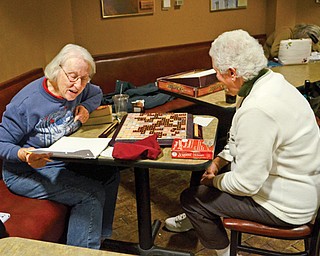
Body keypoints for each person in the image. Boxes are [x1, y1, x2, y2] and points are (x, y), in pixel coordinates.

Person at [169, 29, 320, 256]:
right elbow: (239, 138)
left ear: (232, 72)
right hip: (301, 185)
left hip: (289, 206)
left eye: (217, 73)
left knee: (192, 199)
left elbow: (246, 184)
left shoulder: (258, 109)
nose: (217, 79)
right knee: (208, 164)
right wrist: (218, 162)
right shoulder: (267, 80)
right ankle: (204, 214)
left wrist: (214, 183)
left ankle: (225, 252)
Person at [0, 44, 120, 249]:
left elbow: (96, 93)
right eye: (72, 76)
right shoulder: (27, 103)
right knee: (90, 195)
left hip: (59, 161)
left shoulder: (80, 89)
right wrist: (24, 154)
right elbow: (2, 142)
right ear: (56, 70)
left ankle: (98, 238)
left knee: (110, 173)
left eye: (84, 79)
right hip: (24, 173)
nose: (78, 85)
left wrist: (87, 107)